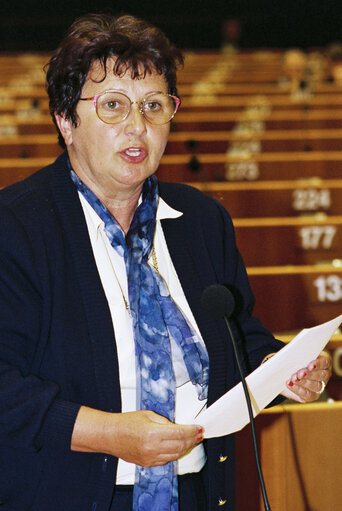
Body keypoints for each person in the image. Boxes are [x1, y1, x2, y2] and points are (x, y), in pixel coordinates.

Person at [0, 13, 332, 511]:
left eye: (154, 106)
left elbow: (237, 333)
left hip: (197, 490)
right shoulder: (17, 227)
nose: (138, 126)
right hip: (69, 492)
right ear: (65, 121)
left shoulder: (199, 218)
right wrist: (111, 433)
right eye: (113, 106)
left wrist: (280, 368)